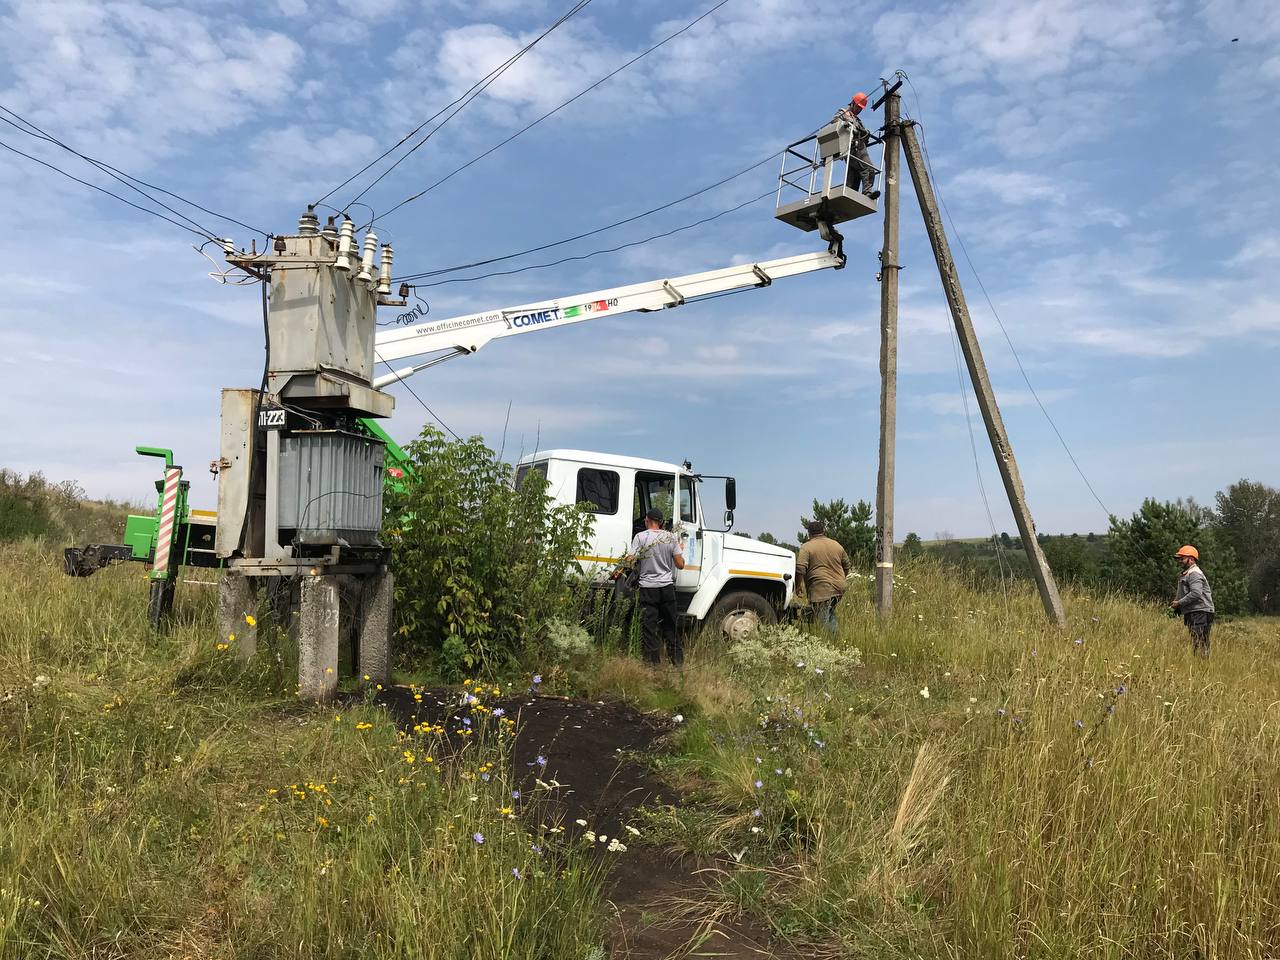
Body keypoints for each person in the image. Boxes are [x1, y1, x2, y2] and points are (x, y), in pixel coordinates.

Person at [624, 508, 686, 667]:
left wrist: (628, 558)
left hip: (647, 588)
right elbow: (680, 565)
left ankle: (653, 665)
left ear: (647, 520)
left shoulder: (640, 537)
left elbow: (630, 562)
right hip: (666, 588)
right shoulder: (670, 538)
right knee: (670, 626)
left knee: (649, 629)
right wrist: (680, 550)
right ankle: (677, 663)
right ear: (661, 523)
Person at [795, 520, 850, 633]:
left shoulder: (807, 547)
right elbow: (847, 565)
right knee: (830, 614)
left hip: (821, 588)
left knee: (823, 619)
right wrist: (841, 578)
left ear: (809, 533)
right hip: (839, 587)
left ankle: (830, 643)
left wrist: (798, 585)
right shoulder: (836, 544)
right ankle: (835, 640)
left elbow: (800, 567)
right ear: (823, 531)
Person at [1171, 544, 1215, 658]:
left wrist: (1179, 603)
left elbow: (1196, 593)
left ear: (1191, 559)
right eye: (1179, 559)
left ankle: (1201, 666)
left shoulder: (1194, 573)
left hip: (1199, 612)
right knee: (1198, 641)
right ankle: (1200, 665)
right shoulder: (1188, 573)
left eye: (1182, 558)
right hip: (1196, 611)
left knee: (1199, 641)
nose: (1179, 561)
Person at [833, 91, 879, 199]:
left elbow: (863, 136)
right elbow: (835, 124)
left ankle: (850, 194)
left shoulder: (858, 120)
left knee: (855, 172)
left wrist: (865, 133)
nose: (859, 110)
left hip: (859, 146)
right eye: (858, 107)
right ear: (852, 103)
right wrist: (851, 126)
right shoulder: (842, 113)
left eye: (861, 108)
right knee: (868, 169)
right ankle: (867, 193)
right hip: (851, 147)